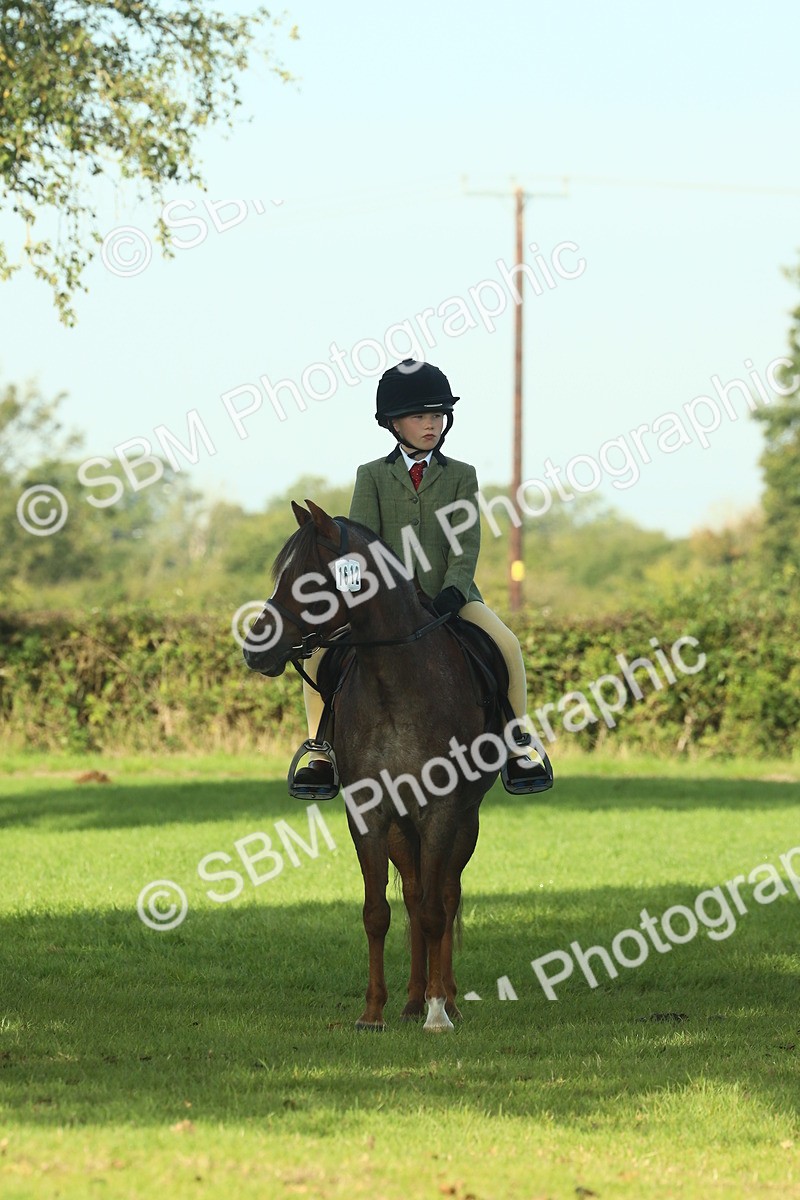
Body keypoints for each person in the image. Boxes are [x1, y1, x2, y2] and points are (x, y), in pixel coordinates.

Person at [291, 358, 553, 796]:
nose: (431, 424)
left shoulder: (462, 476)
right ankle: (321, 750)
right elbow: (360, 541)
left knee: (508, 645)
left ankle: (516, 743)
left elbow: (466, 542)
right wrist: (354, 591)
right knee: (319, 656)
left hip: (452, 597)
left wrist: (453, 589)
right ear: (394, 423)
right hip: (383, 603)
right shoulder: (371, 475)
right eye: (420, 417)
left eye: (438, 415)